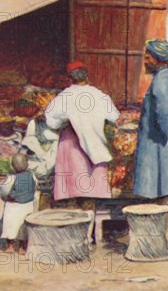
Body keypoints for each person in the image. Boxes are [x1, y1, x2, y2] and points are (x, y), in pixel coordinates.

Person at [133, 39, 168, 249]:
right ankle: (163, 240)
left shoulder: (162, 80)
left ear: (157, 59)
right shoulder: (166, 77)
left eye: (148, 56)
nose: (145, 60)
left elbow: (164, 111)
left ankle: (164, 241)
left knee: (165, 190)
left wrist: (163, 133)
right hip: (163, 141)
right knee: (165, 187)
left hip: (159, 142)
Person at [45, 61, 120, 207]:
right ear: (87, 76)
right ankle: (91, 225)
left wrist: (68, 120)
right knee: (91, 197)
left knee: (72, 196)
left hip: (71, 146)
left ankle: (74, 226)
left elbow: (51, 122)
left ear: (70, 78)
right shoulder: (99, 95)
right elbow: (114, 117)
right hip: (97, 147)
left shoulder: (64, 96)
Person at [0, 154, 37, 254]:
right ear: (27, 164)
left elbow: (4, 192)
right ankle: (22, 248)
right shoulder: (32, 176)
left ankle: (10, 246)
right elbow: (35, 187)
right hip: (28, 205)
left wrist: (7, 198)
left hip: (13, 205)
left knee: (10, 225)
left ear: (13, 166)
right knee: (23, 227)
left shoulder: (11, 178)